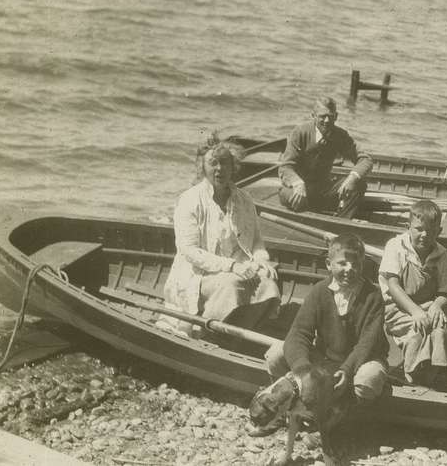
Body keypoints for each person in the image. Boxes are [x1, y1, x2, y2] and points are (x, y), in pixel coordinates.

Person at [164, 134, 280, 334]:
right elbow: (189, 251)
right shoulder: (190, 200)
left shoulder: (244, 199)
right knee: (232, 284)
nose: (220, 169)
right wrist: (232, 266)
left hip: (240, 268)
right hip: (197, 274)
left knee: (269, 282)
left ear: (233, 166)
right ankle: (205, 332)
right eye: (213, 163)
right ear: (202, 167)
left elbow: (256, 242)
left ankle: (236, 332)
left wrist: (262, 261)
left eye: (225, 163)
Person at [264, 233, 389, 407]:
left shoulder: (373, 296)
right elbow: (299, 333)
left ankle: (347, 413)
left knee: (369, 379)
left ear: (363, 265)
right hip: (327, 359)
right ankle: (296, 402)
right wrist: (302, 370)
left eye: (356, 264)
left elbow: (367, 344)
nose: (349, 269)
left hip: (362, 360)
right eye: (342, 263)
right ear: (329, 265)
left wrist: (347, 370)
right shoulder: (320, 291)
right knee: (275, 354)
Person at [379, 199, 447, 385]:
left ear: (439, 231)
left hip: (427, 305)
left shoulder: (442, 254)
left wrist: (437, 305)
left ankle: (437, 368)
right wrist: (415, 312)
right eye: (419, 229)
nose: (424, 235)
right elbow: (394, 286)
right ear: (408, 227)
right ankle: (412, 371)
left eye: (431, 230)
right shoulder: (396, 246)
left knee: (440, 327)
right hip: (396, 307)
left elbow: (445, 292)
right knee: (417, 330)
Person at [278, 97, 373, 219]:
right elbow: (286, 167)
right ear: (313, 115)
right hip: (297, 189)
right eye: (322, 116)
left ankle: (341, 223)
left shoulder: (340, 135)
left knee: (359, 184)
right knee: (296, 199)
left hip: (322, 191)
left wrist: (353, 177)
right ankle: (305, 219)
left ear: (336, 116)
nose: (327, 121)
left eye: (331, 116)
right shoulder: (300, 132)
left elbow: (365, 159)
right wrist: (298, 183)